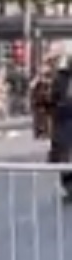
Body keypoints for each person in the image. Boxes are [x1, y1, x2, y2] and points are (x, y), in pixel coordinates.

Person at [47, 55, 72, 202]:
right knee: (64, 156)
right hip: (64, 122)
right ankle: (69, 186)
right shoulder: (61, 78)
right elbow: (54, 100)